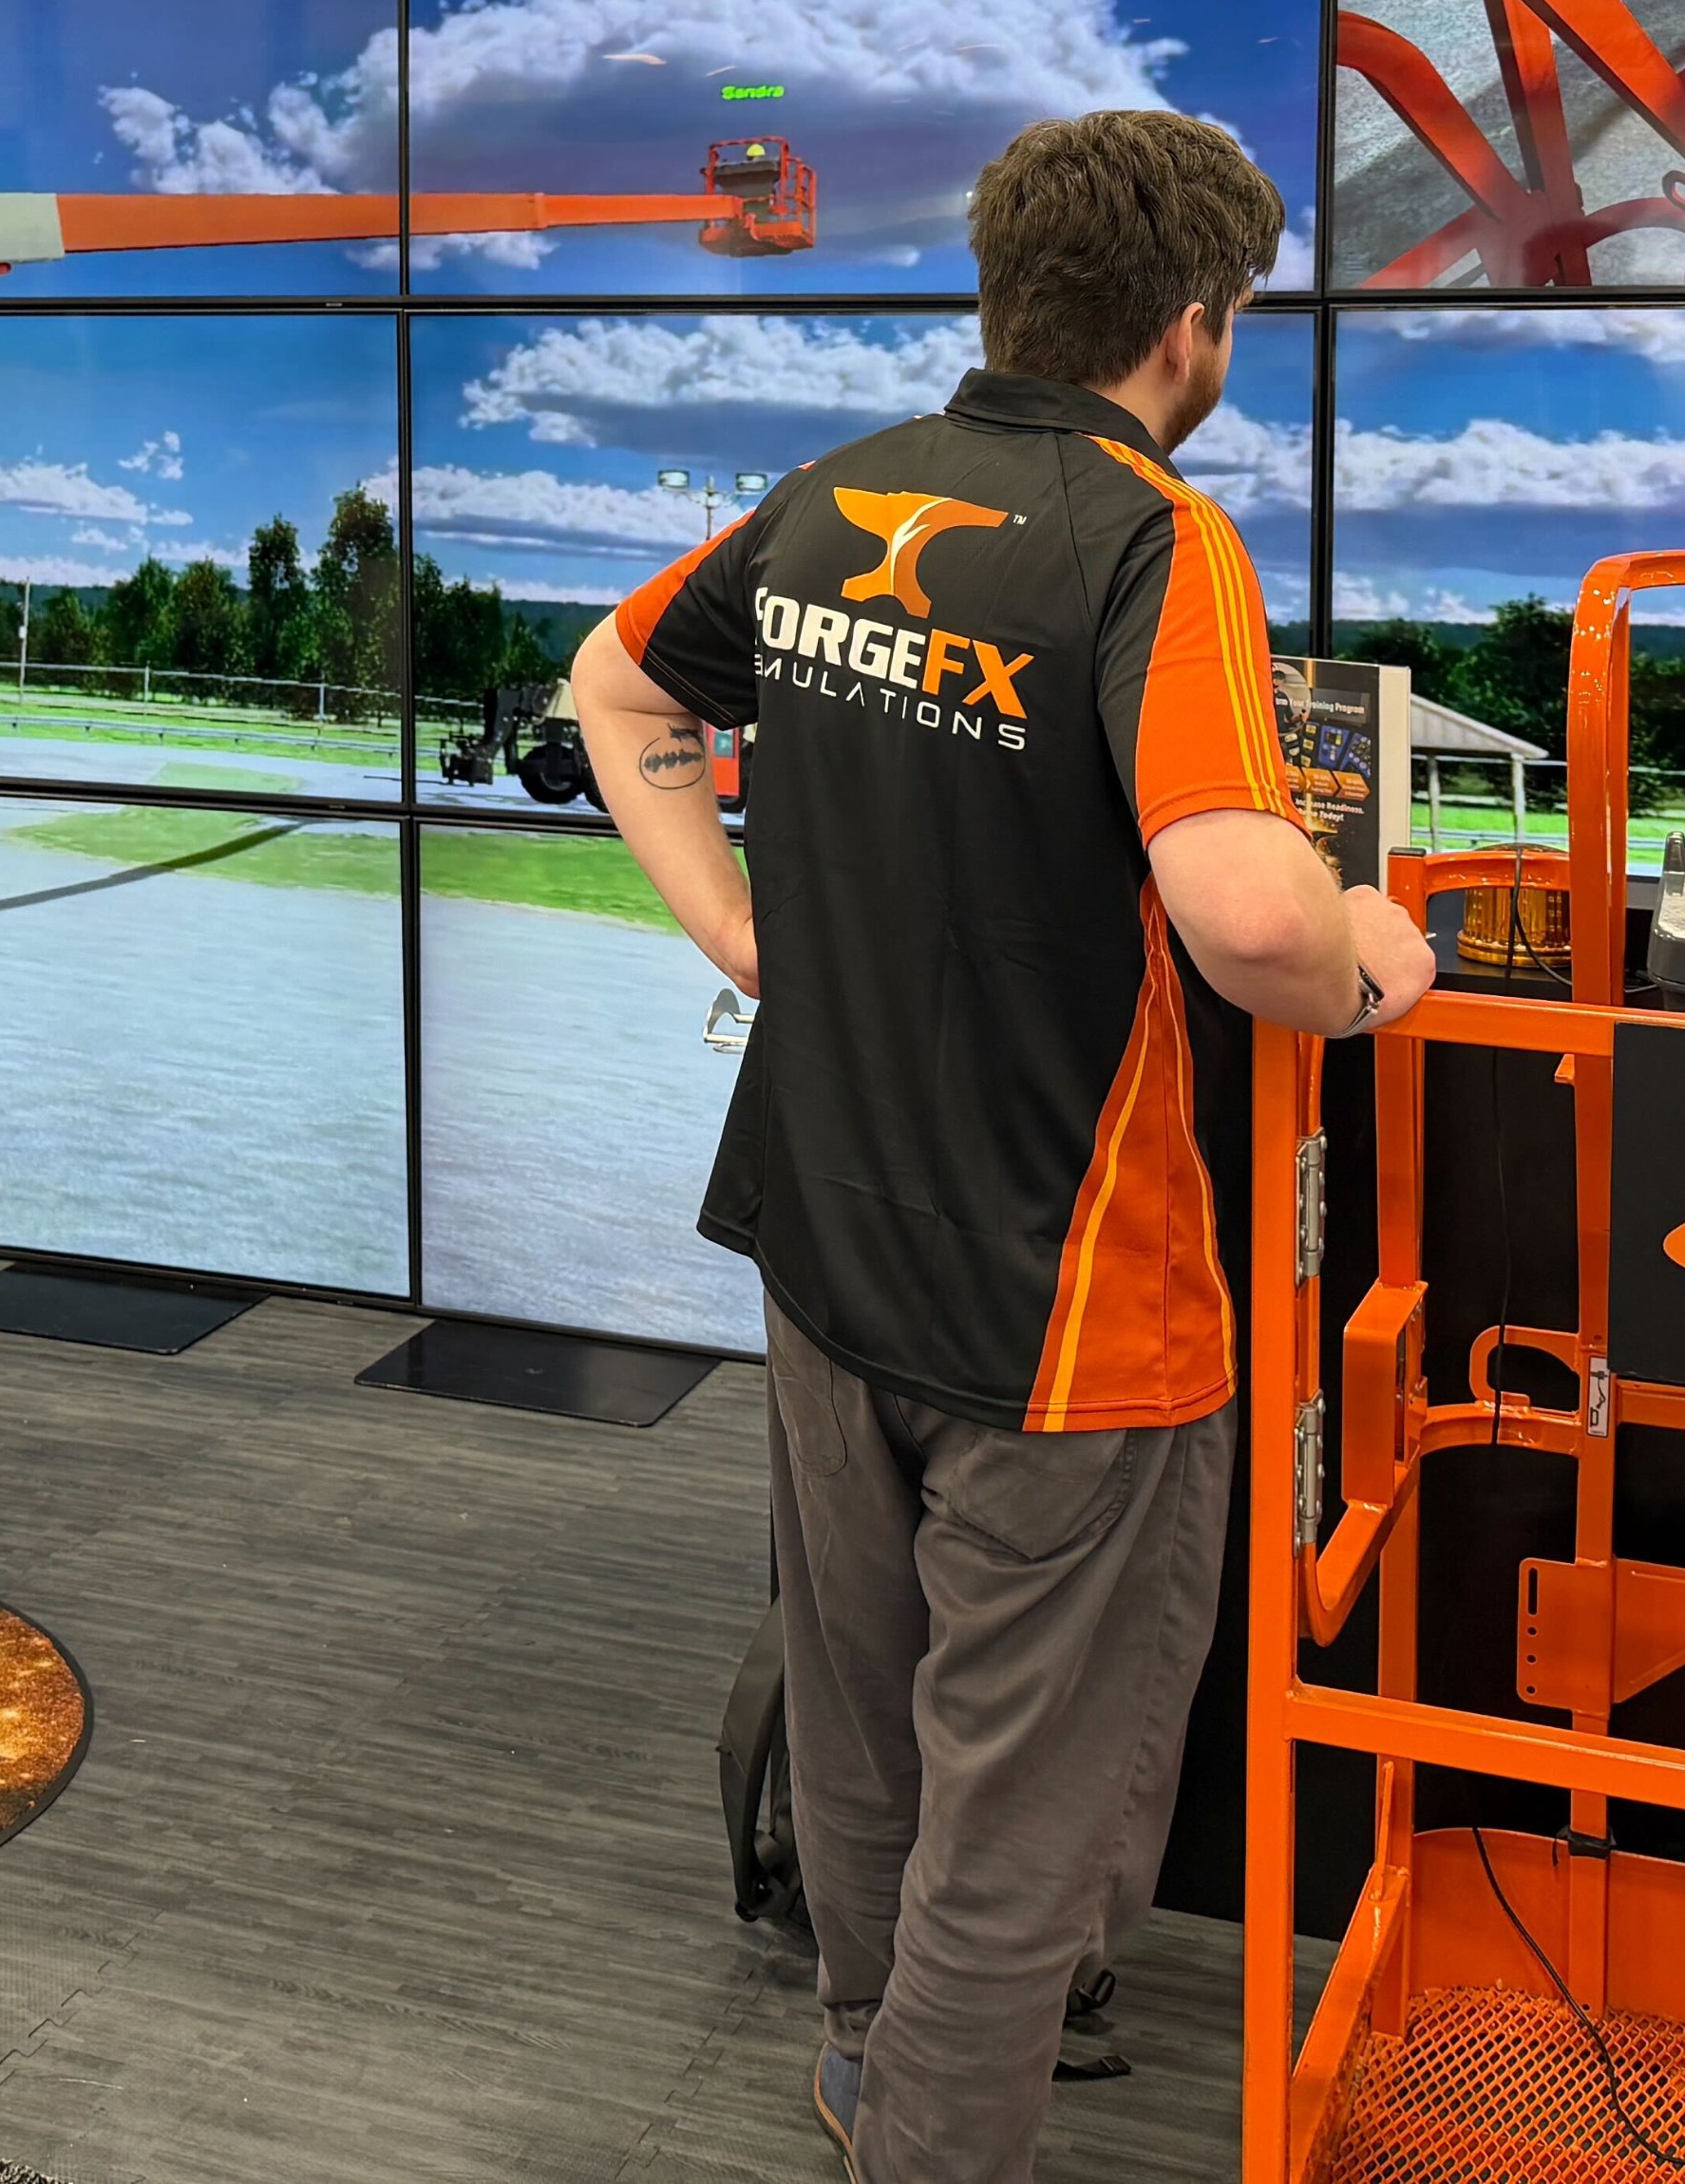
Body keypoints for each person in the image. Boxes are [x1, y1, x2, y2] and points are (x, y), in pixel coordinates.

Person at [571, 110, 1435, 2184]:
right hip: (1069, 1294)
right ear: (1193, 325)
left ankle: (861, 2052)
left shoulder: (830, 491)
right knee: (1021, 1809)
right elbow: (1244, 914)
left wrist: (739, 928)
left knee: (862, 1719)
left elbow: (614, 685)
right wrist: (1374, 957)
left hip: (818, 1238)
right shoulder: (1155, 536)